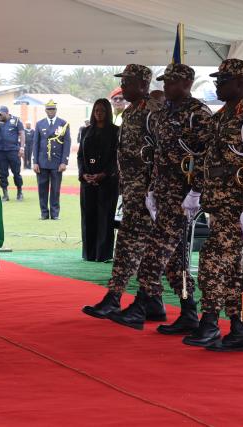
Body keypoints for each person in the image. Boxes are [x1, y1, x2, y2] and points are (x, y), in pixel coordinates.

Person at [110, 64, 211, 332]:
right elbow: (157, 154)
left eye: (173, 82)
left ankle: (141, 306)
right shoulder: (164, 113)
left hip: (183, 197)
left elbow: (206, 157)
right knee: (177, 262)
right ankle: (189, 311)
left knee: (153, 255)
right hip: (164, 195)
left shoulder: (198, 114)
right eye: (165, 82)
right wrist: (153, 189)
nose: (166, 86)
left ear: (187, 83)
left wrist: (197, 192)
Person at [83, 64, 165, 321]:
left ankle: (121, 298)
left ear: (143, 84)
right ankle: (145, 301)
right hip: (131, 191)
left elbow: (164, 152)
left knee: (137, 246)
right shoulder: (130, 113)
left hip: (148, 195)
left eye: (128, 82)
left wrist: (154, 190)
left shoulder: (153, 112)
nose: (124, 87)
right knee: (135, 246)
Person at [182, 59, 243, 350]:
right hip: (219, 207)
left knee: (212, 263)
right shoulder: (221, 117)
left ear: (242, 83)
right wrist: (195, 193)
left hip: (238, 208)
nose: (218, 84)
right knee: (233, 272)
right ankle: (238, 327)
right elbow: (209, 161)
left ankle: (209, 323)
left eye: (224, 80)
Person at [77, 99, 119, 262]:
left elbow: (117, 157)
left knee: (105, 217)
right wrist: (84, 174)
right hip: (87, 181)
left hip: (107, 181)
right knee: (88, 216)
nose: (98, 113)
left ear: (107, 112)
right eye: (96, 110)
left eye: (101, 110)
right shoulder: (86, 131)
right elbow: (80, 156)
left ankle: (103, 254)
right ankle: (89, 253)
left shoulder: (116, 131)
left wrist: (104, 174)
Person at [32, 100, 71, 218]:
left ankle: (55, 214)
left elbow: (67, 143)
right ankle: (44, 213)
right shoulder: (40, 124)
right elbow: (35, 143)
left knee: (55, 189)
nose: (50, 111)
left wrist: (64, 161)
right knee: (42, 189)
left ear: (56, 110)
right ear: (45, 110)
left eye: (53, 109)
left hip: (57, 162)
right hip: (42, 162)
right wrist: (35, 162)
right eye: (48, 109)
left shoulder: (63, 123)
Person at [0, 106, 25, 201]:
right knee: (2, 174)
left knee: (16, 173)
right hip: (1, 151)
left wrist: (22, 148)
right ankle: (5, 194)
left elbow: (22, 133)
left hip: (13, 151)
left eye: (0, 114)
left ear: (6, 113)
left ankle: (19, 192)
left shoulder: (15, 120)